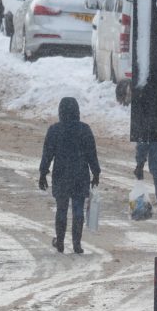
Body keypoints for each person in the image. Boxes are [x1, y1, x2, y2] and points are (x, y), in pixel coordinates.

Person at [38, 97, 102, 254]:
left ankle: (59, 241)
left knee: (61, 208)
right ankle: (77, 243)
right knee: (78, 208)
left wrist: (43, 173)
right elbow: (91, 154)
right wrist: (96, 172)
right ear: (77, 112)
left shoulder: (54, 130)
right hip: (80, 174)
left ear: (60, 112)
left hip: (61, 174)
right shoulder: (84, 130)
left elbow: (47, 154)